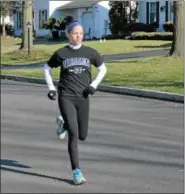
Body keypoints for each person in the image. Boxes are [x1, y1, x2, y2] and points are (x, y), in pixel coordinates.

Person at [43, 21, 107, 185]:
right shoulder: (60, 53)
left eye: (81, 33)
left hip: (83, 97)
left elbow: (103, 69)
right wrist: (51, 88)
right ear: (68, 35)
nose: (78, 35)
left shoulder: (90, 52)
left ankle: (62, 123)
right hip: (66, 96)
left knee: (83, 135)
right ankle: (76, 172)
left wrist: (94, 85)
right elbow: (46, 68)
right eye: (75, 33)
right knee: (73, 134)